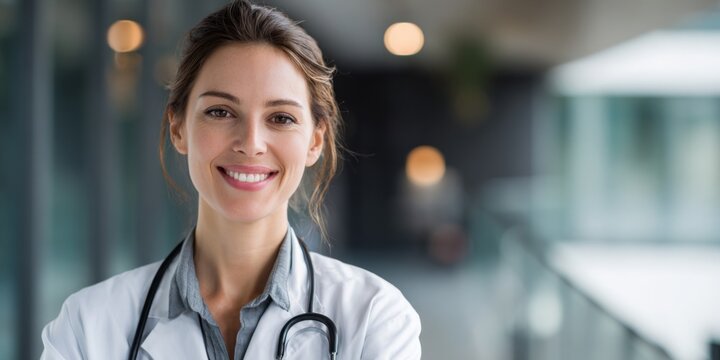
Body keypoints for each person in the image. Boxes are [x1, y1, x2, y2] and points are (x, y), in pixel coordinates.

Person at [40, 1, 421, 359]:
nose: (251, 143)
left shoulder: (375, 319)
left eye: (281, 118)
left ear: (315, 141)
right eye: (220, 111)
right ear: (178, 127)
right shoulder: (86, 327)